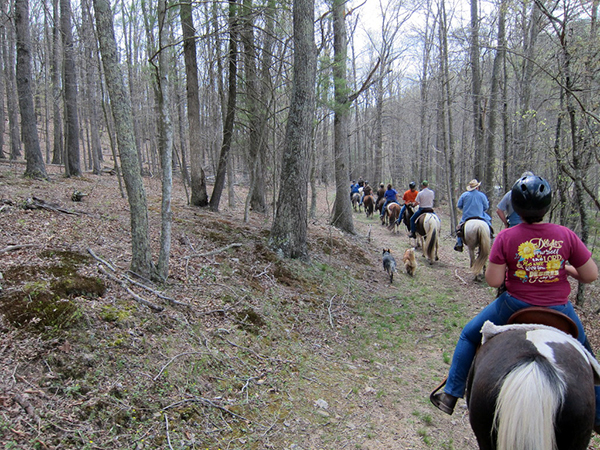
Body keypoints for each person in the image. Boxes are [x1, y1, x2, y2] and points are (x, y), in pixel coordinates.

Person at [430, 175, 600, 431]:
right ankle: (597, 415)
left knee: (467, 335)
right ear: (547, 207)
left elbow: (493, 280)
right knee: (586, 352)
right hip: (559, 309)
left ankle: (451, 394)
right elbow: (590, 275)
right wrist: (567, 269)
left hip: (515, 305)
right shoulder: (565, 235)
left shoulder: (507, 237)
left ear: (515, 207)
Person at [454, 179, 493, 252]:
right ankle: (491, 237)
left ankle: (459, 244)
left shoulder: (464, 195)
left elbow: (459, 205)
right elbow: (486, 207)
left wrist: (466, 208)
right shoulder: (482, 195)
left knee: (459, 229)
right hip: (480, 217)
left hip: (467, 218)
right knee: (489, 226)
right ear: (477, 187)